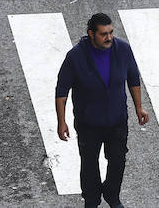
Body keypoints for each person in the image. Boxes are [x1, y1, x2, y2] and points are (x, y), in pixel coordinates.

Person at [55, 13, 149, 208]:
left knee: (118, 160)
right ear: (91, 34)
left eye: (111, 32)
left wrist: (139, 107)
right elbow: (62, 91)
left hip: (117, 120)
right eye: (103, 34)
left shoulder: (123, 49)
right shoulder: (75, 57)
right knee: (89, 164)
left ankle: (112, 195)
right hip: (88, 123)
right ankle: (92, 200)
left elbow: (133, 78)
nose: (109, 37)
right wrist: (61, 122)